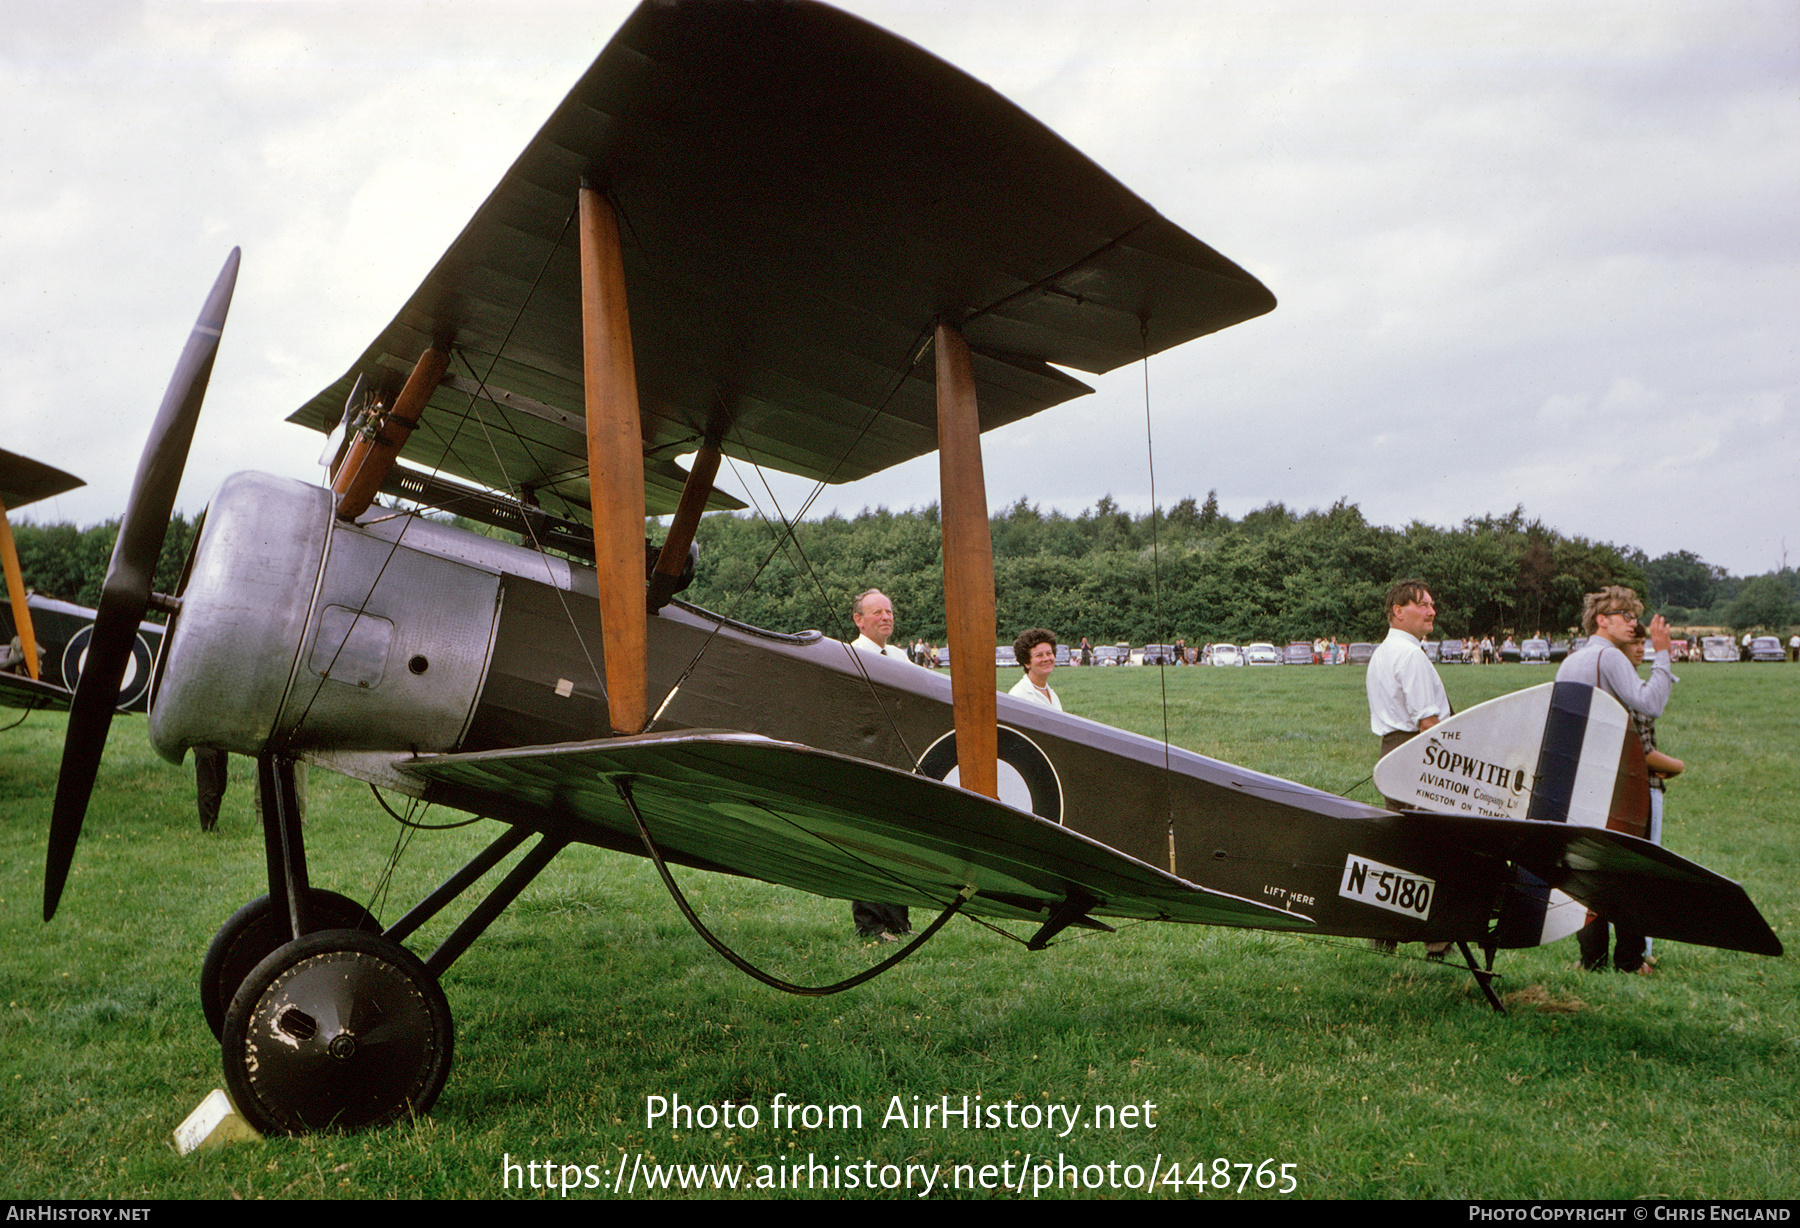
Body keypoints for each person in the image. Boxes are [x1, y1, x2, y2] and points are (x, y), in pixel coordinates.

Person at [1558, 585, 1677, 973]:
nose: (1633, 624)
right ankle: (1629, 960)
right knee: (1630, 869)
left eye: (1634, 616)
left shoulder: (1571, 660)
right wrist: (1663, 655)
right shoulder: (1609, 657)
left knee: (1588, 868)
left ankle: (1591, 959)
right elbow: (1650, 703)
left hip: (1582, 780)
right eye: (1624, 616)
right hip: (1618, 784)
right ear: (1601, 620)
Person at [1365, 578, 1451, 958]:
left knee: (1397, 846)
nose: (1432, 611)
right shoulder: (1411, 655)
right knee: (1435, 846)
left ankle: (1385, 934)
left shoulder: (1383, 652)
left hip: (1392, 751)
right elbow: (1428, 723)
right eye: (1423, 605)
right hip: (1417, 751)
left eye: (1432, 605)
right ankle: (1438, 940)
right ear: (1398, 611)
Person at [847, 588, 913, 940]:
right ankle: (870, 925)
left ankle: (899, 922)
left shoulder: (901, 657)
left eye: (889, 610)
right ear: (859, 620)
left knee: (897, 841)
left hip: (899, 758)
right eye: (877, 612)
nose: (886, 617)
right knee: (869, 841)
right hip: (867, 758)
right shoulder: (851, 657)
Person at [1008, 628, 1063, 711]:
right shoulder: (1018, 696)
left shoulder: (1052, 695)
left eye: (1049, 653)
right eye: (1039, 655)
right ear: (1027, 662)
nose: (1046, 659)